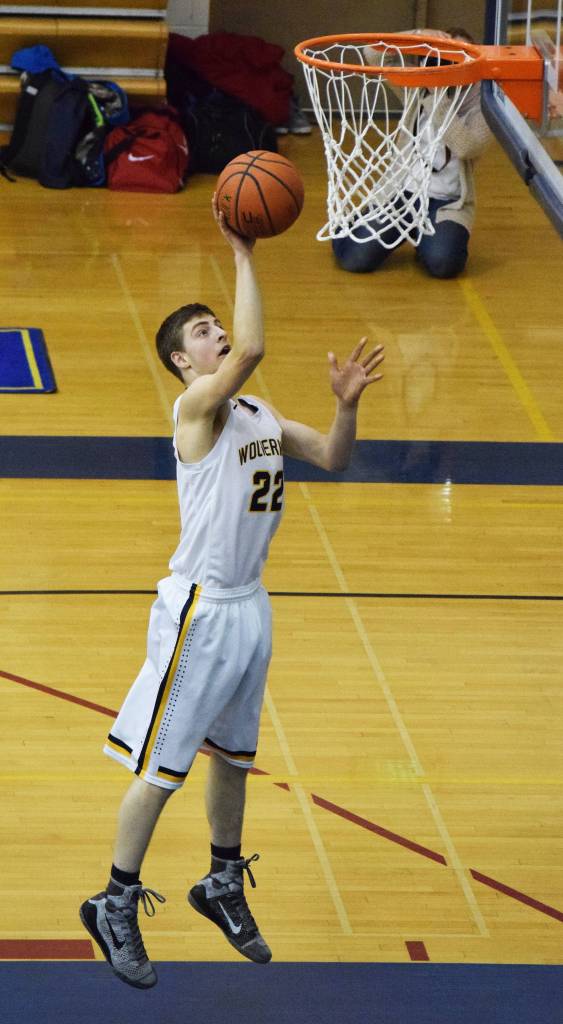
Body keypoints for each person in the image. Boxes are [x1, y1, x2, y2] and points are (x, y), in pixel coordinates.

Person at [79, 195, 385, 989]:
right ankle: (110, 901)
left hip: (250, 607)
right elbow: (250, 346)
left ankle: (219, 879)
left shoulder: (255, 412)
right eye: (202, 333)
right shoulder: (194, 412)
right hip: (199, 611)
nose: (218, 336)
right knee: (161, 766)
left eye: (216, 324)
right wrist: (244, 254)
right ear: (184, 362)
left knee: (232, 759)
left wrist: (345, 407)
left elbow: (333, 458)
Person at [332, 28, 492, 279]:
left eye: (457, 58)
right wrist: (418, 36)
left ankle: (427, 238)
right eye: (442, 56)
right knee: (355, 260)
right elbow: (372, 53)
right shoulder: (415, 87)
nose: (448, 64)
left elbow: (466, 146)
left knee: (444, 265)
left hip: (447, 202)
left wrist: (435, 94)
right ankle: (355, 223)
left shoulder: (483, 101)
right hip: (400, 193)